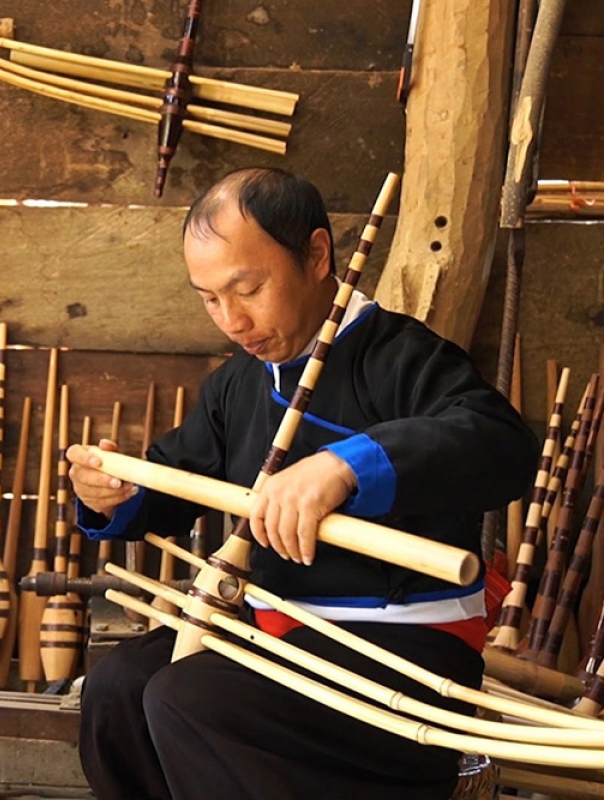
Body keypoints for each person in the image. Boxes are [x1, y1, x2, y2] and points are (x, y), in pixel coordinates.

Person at [68, 167, 537, 800]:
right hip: (276, 635)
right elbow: (175, 484)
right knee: (118, 686)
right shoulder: (238, 384)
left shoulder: (402, 355)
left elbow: (500, 445)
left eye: (248, 288)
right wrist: (115, 493)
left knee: (190, 698)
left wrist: (347, 465)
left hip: (403, 651)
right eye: (209, 298)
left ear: (317, 255)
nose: (231, 319)